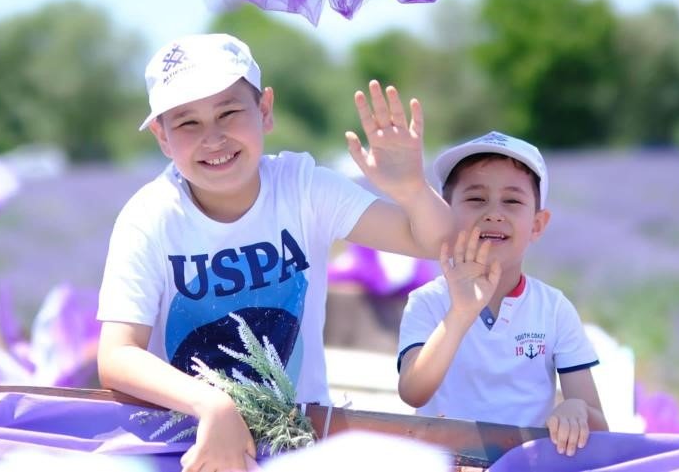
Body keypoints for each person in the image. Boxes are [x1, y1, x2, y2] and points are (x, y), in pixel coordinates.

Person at [96, 33, 453, 472]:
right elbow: (116, 355)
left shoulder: (302, 188)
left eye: (229, 112)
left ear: (264, 110)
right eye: (188, 123)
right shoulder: (149, 218)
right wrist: (213, 405)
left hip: (300, 442)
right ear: (162, 136)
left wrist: (412, 189)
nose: (213, 138)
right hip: (186, 442)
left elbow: (432, 240)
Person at [396, 130, 608, 457]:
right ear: (444, 216)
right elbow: (413, 392)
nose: (494, 213)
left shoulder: (554, 310)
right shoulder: (428, 301)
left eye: (512, 201)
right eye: (476, 198)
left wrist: (575, 408)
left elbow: (599, 426)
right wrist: (461, 312)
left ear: (537, 225)